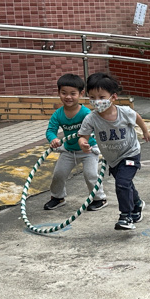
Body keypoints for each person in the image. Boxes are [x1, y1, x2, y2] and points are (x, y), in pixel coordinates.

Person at [77, 73, 150, 231]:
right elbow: (83, 136)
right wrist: (83, 143)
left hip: (130, 153)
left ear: (113, 97)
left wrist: (145, 131)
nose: (97, 101)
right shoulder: (91, 118)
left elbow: (137, 117)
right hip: (113, 158)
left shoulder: (124, 112)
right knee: (126, 183)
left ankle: (126, 216)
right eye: (92, 97)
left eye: (101, 97)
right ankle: (137, 204)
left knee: (122, 183)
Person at [43, 74, 108, 212]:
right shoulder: (58, 114)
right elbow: (50, 130)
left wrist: (90, 143)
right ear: (58, 93)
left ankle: (99, 199)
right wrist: (53, 139)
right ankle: (58, 197)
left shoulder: (86, 113)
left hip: (88, 150)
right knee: (59, 174)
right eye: (64, 93)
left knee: (90, 175)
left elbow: (95, 129)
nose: (68, 97)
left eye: (73, 93)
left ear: (81, 94)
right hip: (68, 150)